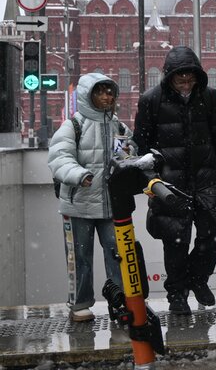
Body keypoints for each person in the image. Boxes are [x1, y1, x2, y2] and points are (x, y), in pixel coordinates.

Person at [132, 46, 216, 315]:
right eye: (180, 80)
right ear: (169, 77)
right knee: (176, 242)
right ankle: (177, 295)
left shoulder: (209, 97)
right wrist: (150, 181)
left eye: (190, 79)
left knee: (213, 235)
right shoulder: (152, 100)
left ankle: (197, 278)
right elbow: (141, 146)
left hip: (207, 179)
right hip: (170, 183)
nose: (186, 85)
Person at [48, 73, 131, 322]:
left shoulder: (118, 126)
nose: (107, 97)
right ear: (88, 95)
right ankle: (80, 304)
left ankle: (119, 302)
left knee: (117, 254)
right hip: (79, 205)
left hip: (110, 205)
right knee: (79, 257)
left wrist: (130, 163)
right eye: (101, 92)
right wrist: (79, 174)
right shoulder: (73, 124)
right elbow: (59, 157)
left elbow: (125, 157)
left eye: (110, 92)